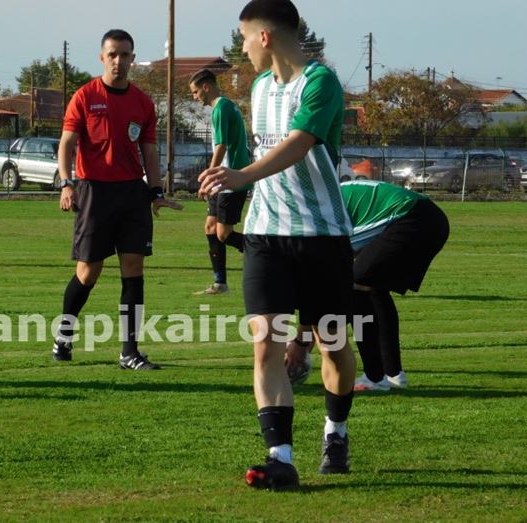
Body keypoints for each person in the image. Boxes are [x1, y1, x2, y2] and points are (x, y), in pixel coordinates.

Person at [199, 0, 356, 490]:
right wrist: (235, 180)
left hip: (322, 236)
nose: (243, 49)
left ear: (264, 37)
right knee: (265, 343)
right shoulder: (259, 88)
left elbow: (299, 142)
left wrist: (241, 174)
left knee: (332, 346)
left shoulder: (320, 83)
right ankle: (280, 458)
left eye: (245, 39)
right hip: (267, 234)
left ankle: (335, 431)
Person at [52, 29, 182, 370]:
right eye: (112, 54)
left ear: (132, 59)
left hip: (132, 193)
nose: (118, 61)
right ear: (102, 57)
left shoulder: (143, 102)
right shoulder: (85, 96)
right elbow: (67, 143)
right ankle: (64, 335)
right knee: (88, 271)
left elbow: (149, 151)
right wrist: (67, 184)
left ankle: (129, 352)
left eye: (125, 55)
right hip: (94, 192)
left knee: (134, 268)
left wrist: (156, 192)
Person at [285, 181, 450, 391]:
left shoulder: (314, 218)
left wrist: (299, 345)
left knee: (356, 286)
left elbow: (318, 295)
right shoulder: (321, 201)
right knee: (374, 290)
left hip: (411, 217)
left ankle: (375, 377)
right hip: (429, 217)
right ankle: (393, 374)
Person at [188, 68, 251, 295]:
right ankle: (220, 284)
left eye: (195, 92)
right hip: (222, 179)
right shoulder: (223, 107)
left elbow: (221, 146)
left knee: (224, 233)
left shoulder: (222, 107)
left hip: (230, 179)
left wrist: (209, 175)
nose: (195, 97)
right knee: (210, 227)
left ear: (206, 87)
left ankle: (266, 253)